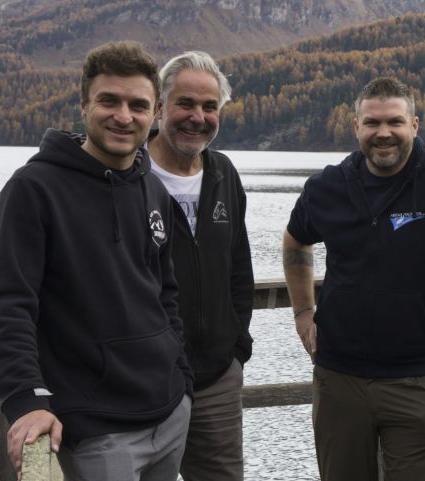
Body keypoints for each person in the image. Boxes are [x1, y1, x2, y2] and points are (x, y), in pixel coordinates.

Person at [0, 42, 193, 481]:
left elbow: (165, 293)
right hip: (96, 432)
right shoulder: (34, 190)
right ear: (83, 105)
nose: (123, 116)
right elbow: (8, 307)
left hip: (170, 414)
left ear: (155, 114)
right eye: (108, 101)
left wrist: (182, 376)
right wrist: (27, 400)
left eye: (138, 105)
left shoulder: (152, 189)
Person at [282, 77, 425, 481]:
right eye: (372, 123)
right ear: (356, 126)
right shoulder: (329, 186)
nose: (383, 132)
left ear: (415, 125)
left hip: (416, 380)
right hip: (338, 378)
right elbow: (296, 238)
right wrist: (303, 311)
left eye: (395, 122)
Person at [147, 50, 253, 481]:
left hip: (216, 379)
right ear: (159, 106)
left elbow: (239, 269)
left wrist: (237, 348)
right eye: (186, 103)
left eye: (210, 107)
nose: (198, 117)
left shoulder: (223, 172)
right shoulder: (129, 173)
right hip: (143, 381)